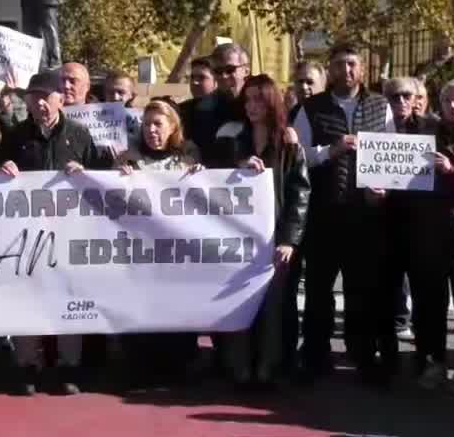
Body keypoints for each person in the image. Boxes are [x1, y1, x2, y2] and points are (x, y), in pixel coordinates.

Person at [0, 71, 110, 394]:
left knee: (68, 296)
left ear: (61, 99)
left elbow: (102, 185)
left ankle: (67, 367)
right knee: (28, 297)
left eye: (46, 98)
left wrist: (85, 174)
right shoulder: (16, 136)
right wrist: (5, 167)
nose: (40, 104)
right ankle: (27, 367)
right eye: (34, 99)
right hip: (27, 234)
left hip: (70, 232)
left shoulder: (79, 135)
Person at [295, 45, 395, 387]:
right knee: (320, 289)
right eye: (339, 65)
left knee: (362, 289)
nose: (347, 70)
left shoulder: (380, 106)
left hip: (365, 217)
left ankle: (363, 354)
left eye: (352, 64)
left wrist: (382, 187)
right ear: (330, 70)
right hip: (323, 213)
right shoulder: (310, 108)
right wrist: (331, 151)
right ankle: (315, 355)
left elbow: (394, 156)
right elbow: (298, 157)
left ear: (363, 68)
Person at [222, 76, 309, 389]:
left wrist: (289, 239)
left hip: (274, 238)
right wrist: (239, 167)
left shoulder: (287, 142)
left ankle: (269, 368)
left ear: (272, 102)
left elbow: (300, 193)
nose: (252, 106)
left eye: (259, 99)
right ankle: (240, 368)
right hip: (238, 238)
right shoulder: (235, 139)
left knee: (274, 306)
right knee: (237, 302)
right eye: (248, 100)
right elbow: (212, 179)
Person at [117, 101, 203, 388]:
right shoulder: (129, 157)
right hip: (140, 249)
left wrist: (201, 176)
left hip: (177, 251)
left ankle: (177, 365)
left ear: (172, 127)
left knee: (176, 306)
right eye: (147, 124)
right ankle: (141, 367)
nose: (151, 130)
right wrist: (119, 173)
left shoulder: (188, 157)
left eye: (158, 124)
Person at [407, 80, 454, 392]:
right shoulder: (425, 136)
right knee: (430, 298)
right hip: (432, 227)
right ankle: (434, 359)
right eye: (448, 101)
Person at [381, 77, 430, 345]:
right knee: (387, 284)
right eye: (394, 96)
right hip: (383, 216)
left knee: (422, 284)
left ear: (416, 98)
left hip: (420, 219)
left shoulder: (430, 129)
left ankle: (424, 350)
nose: (401, 101)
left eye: (406, 96)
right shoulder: (375, 129)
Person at [180, 42, 250, 167]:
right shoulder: (196, 111)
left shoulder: (262, 103)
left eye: (230, 70)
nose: (224, 76)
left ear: (246, 70)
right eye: (218, 71)